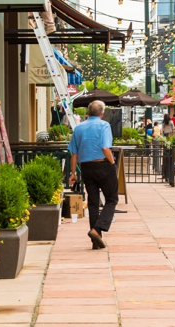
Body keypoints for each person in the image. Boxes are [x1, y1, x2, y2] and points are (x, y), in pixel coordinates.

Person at [68, 100, 117, 250]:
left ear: (88, 113)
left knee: (93, 202)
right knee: (112, 198)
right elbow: (105, 148)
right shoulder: (104, 125)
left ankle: (96, 241)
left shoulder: (79, 128)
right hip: (102, 164)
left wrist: (73, 173)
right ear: (102, 114)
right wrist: (112, 163)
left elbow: (74, 153)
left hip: (86, 167)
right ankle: (97, 229)